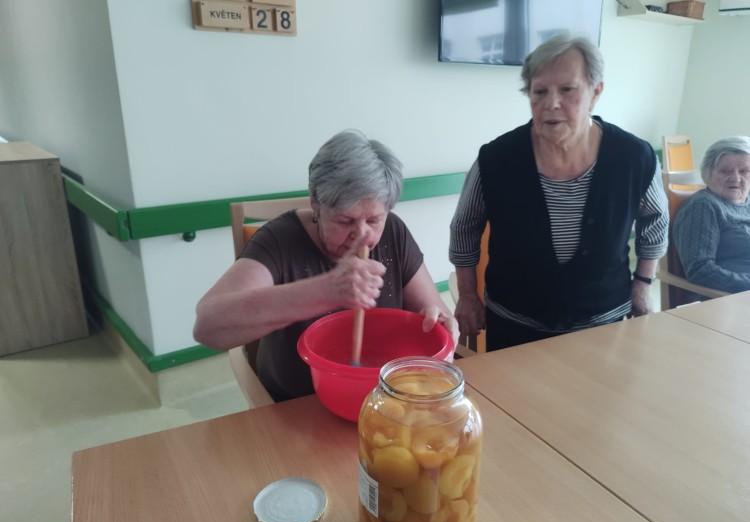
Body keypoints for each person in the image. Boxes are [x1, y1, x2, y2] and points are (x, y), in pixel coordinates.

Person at [194, 130, 459, 401]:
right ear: (315, 206)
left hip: (384, 398)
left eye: (374, 220)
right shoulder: (278, 241)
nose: (362, 235)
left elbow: (435, 311)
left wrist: (441, 322)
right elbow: (207, 326)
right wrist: (327, 290)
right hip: (298, 404)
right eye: (345, 221)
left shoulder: (393, 231)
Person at [449, 34, 669, 351]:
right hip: (515, 326)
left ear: (595, 92)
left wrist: (643, 285)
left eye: (567, 90)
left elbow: (656, 221)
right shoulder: (496, 158)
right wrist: (468, 295)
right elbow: (464, 228)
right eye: (540, 91)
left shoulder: (634, 157)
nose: (552, 103)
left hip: (603, 326)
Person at [673, 136, 750, 293]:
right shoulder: (702, 206)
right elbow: (700, 270)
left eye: (744, 171)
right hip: (730, 299)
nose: (736, 178)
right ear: (708, 173)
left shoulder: (747, 201)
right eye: (725, 171)